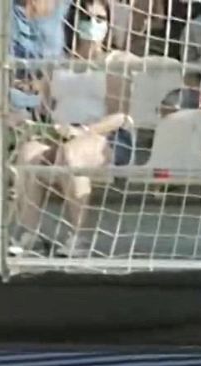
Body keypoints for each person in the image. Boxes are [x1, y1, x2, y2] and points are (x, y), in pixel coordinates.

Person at [10, 0, 137, 259]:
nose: (93, 25)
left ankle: (78, 236)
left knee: (72, 154)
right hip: (61, 132)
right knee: (29, 152)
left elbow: (120, 115)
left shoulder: (113, 63)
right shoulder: (58, 63)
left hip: (106, 137)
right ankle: (28, 233)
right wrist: (25, 119)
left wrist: (84, 131)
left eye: (100, 19)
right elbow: (44, 107)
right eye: (87, 18)